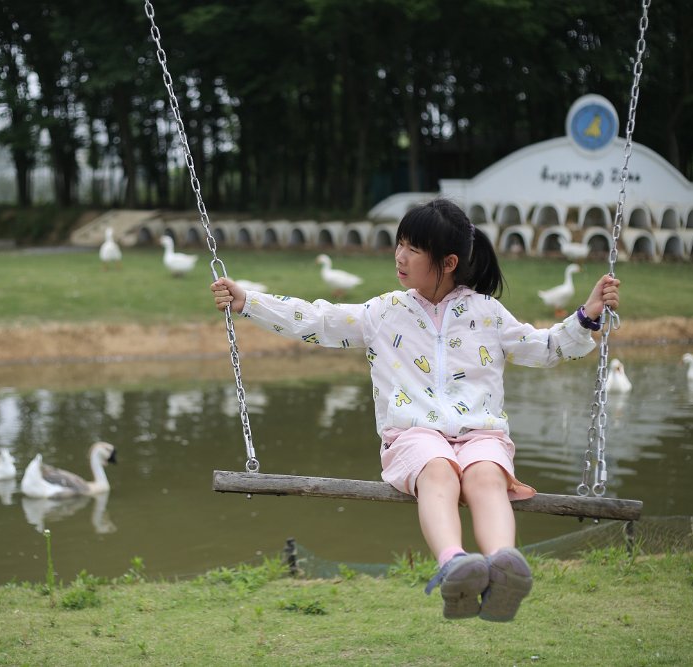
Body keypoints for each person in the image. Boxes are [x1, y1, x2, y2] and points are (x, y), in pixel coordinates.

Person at [210, 198, 620, 622]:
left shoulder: (487, 313)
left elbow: (545, 347)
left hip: (480, 433)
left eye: (413, 249)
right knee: (437, 469)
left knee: (487, 475)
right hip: (413, 435)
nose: (400, 256)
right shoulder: (384, 313)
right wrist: (249, 302)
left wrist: (587, 315)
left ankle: (504, 566)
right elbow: (319, 319)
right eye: (400, 244)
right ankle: (454, 563)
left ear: (448, 262)